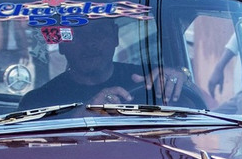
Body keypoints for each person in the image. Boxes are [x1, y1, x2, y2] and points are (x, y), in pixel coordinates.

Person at [19, 16, 192, 109]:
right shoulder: (38, 102)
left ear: (115, 36)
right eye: (77, 35)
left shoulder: (150, 81)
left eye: (99, 32)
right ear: (62, 44)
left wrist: (182, 76)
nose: (90, 43)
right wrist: (85, 112)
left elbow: (206, 109)